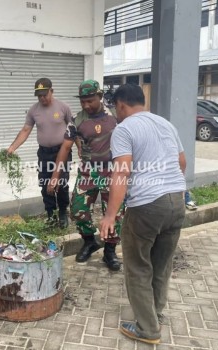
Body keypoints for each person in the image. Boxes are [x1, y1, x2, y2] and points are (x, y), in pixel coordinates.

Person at [99, 84, 186, 344]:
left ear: (122, 105)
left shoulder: (124, 129)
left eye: (116, 108)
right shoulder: (166, 124)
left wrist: (110, 215)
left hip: (148, 205)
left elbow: (122, 173)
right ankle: (155, 314)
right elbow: (181, 163)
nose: (116, 112)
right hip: (176, 202)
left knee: (137, 267)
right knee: (162, 264)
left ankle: (148, 329)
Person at [48, 79, 125, 270]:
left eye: (90, 100)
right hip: (89, 171)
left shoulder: (116, 116)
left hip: (113, 171)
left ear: (99, 96)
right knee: (77, 209)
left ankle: (109, 250)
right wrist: (55, 176)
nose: (86, 105)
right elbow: (65, 148)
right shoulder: (77, 120)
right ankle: (89, 241)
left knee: (114, 213)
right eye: (83, 101)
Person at [8, 78, 73, 228]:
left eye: (45, 94)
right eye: (39, 96)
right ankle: (51, 214)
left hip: (61, 152)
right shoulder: (34, 110)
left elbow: (72, 129)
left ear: (52, 91)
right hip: (44, 153)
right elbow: (25, 130)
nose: (42, 98)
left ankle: (63, 212)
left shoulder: (63, 107)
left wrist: (80, 147)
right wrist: (12, 148)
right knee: (45, 184)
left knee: (61, 183)